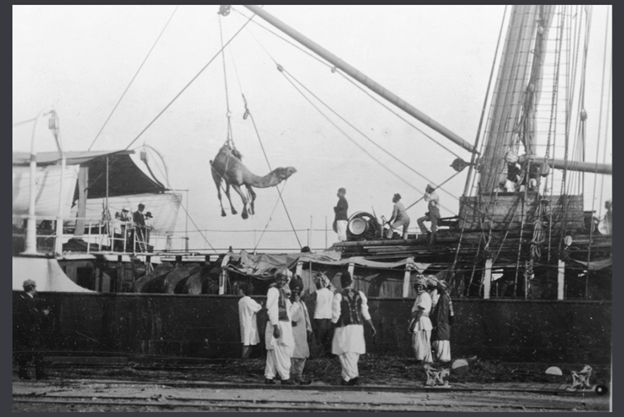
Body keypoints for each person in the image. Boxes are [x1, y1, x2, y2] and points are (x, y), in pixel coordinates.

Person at [331, 271, 376, 386]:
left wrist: (331, 325)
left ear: (342, 283)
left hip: (344, 327)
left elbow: (336, 315)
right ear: (352, 282)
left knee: (342, 352)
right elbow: (365, 312)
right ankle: (346, 378)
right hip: (358, 327)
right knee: (353, 352)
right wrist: (371, 325)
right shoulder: (360, 294)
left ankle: (353, 375)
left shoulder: (338, 295)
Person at [264, 269, 295, 385]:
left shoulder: (283, 291)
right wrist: (275, 326)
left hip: (283, 324)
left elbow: (289, 310)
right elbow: (271, 308)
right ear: (276, 280)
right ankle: (285, 377)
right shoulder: (273, 290)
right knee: (282, 350)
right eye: (280, 279)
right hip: (277, 324)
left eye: (284, 280)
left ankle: (269, 376)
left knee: (273, 351)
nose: (282, 282)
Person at [13, 279, 49, 380]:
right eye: (35, 287)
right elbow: (34, 315)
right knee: (38, 352)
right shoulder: (29, 300)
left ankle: (23, 374)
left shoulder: (21, 299)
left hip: (22, 331)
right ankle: (40, 374)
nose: (35, 289)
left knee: (23, 353)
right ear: (32, 288)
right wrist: (43, 313)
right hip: (31, 331)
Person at [289, 277, 313, 385]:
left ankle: (299, 375)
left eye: (298, 289)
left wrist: (309, 329)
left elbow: (306, 317)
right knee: (293, 355)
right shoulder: (290, 303)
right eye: (294, 289)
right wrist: (295, 303)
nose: (296, 291)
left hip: (302, 333)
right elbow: (293, 318)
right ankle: (289, 376)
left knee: (302, 355)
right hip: (293, 333)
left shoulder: (302, 303)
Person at [409, 276, 433, 364]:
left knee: (419, 341)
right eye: (417, 286)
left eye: (421, 286)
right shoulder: (421, 296)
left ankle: (421, 359)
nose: (419, 288)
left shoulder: (424, 295)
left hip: (421, 321)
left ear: (424, 287)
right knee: (422, 340)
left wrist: (415, 323)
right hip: (421, 320)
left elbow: (421, 310)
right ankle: (424, 359)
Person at [310, 272, 334, 358]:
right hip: (328, 317)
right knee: (327, 337)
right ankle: (327, 355)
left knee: (318, 338)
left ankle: (317, 355)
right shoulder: (331, 293)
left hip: (319, 317)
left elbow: (311, 305)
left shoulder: (316, 293)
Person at [431, 280, 454, 363]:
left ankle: (442, 360)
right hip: (445, 323)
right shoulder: (447, 297)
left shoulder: (443, 298)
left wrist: (437, 324)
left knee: (441, 340)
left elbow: (442, 312)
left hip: (442, 324)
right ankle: (443, 359)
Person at [238, 282, 263, 359]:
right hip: (249, 324)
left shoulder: (241, 301)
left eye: (239, 290)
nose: (238, 291)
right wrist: (261, 304)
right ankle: (244, 359)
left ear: (242, 290)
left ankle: (244, 358)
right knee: (247, 343)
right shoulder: (248, 300)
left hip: (244, 323)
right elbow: (258, 308)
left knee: (246, 342)